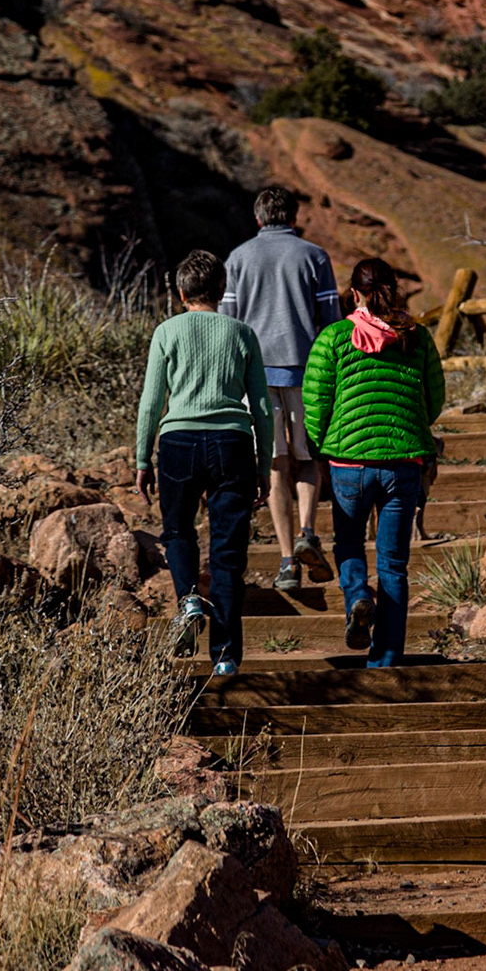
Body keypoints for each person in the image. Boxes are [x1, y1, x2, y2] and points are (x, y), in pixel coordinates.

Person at [135, 249, 274, 675]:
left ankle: (189, 598)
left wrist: (142, 457)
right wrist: (264, 466)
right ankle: (227, 657)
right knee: (229, 552)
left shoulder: (167, 331)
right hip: (232, 443)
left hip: (178, 442)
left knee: (177, 532)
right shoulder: (242, 333)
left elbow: (151, 402)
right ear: (222, 290)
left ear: (180, 292)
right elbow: (263, 407)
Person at [302, 258, 446, 666]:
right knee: (394, 564)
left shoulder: (333, 338)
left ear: (355, 294)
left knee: (348, 544)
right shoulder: (418, 338)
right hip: (403, 463)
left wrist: (324, 444)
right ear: (394, 290)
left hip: (349, 465)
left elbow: (315, 403)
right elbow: (434, 399)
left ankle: (358, 597)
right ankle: (385, 658)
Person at [220, 185, 341, 592]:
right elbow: (332, 321)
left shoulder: (238, 258)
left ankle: (287, 561)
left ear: (257, 219)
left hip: (256, 377)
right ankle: (309, 530)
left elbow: (228, 323)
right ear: (294, 217)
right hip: (306, 373)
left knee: (275, 466)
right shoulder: (314, 256)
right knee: (308, 460)